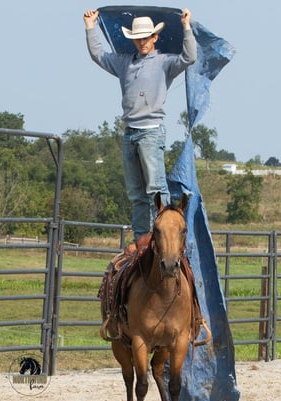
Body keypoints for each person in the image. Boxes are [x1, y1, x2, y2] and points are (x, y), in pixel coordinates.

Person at [83, 8, 196, 241]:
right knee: (136, 193)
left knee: (156, 189)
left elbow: (189, 57)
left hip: (150, 132)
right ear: (133, 40)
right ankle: (141, 240)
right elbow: (98, 55)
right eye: (138, 38)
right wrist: (90, 27)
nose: (142, 42)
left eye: (146, 37)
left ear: (155, 37)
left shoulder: (165, 62)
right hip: (130, 133)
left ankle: (165, 238)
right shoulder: (124, 63)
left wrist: (186, 27)